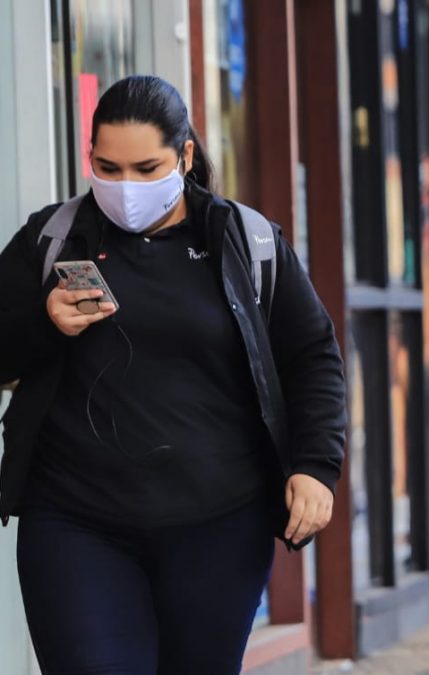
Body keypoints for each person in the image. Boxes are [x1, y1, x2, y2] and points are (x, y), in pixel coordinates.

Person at [0, 75, 347, 674]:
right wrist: (44, 323)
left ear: (184, 155)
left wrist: (316, 467)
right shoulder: (50, 240)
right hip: (75, 524)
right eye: (106, 167)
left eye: (144, 167)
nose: (124, 186)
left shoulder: (245, 240)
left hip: (219, 526)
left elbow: (312, 355)